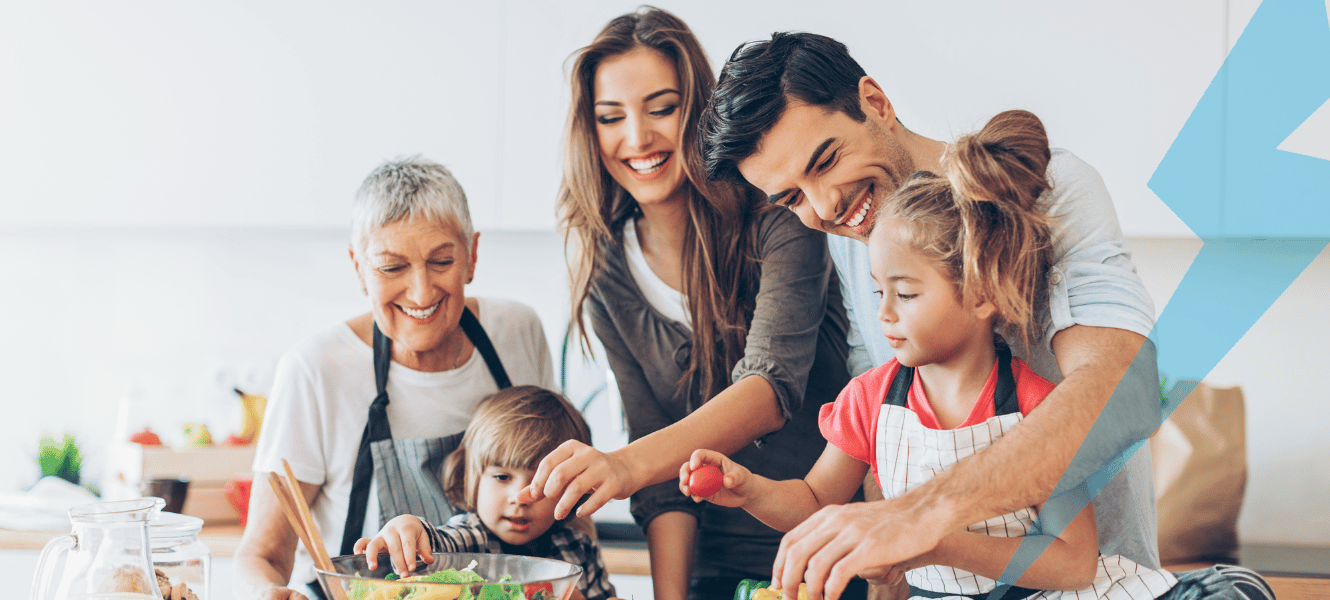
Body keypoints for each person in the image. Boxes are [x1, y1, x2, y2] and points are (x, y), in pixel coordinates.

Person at [699, 32, 1274, 600]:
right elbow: (879, 440)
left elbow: (1122, 392)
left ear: (875, 102)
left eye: (826, 161)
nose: (825, 207)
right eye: (793, 198)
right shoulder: (856, 239)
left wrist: (923, 520)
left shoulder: (1050, 190)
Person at [526, 8, 857, 600]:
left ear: (699, 112)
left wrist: (622, 464)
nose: (637, 137)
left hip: (829, 556)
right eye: (611, 117)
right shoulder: (606, 271)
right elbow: (661, 483)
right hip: (711, 567)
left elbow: (769, 390)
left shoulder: (779, 214)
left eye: (662, 108)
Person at [234, 157, 557, 600]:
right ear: (358, 268)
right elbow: (263, 555)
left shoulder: (517, 333)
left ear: (472, 256)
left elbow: (565, 503)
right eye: (391, 267)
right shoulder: (315, 369)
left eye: (441, 261)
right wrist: (263, 593)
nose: (421, 292)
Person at [354, 385, 616, 600]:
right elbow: (434, 547)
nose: (520, 497)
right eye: (502, 477)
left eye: (542, 483)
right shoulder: (469, 538)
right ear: (472, 479)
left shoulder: (580, 548)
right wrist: (406, 528)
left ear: (570, 489)